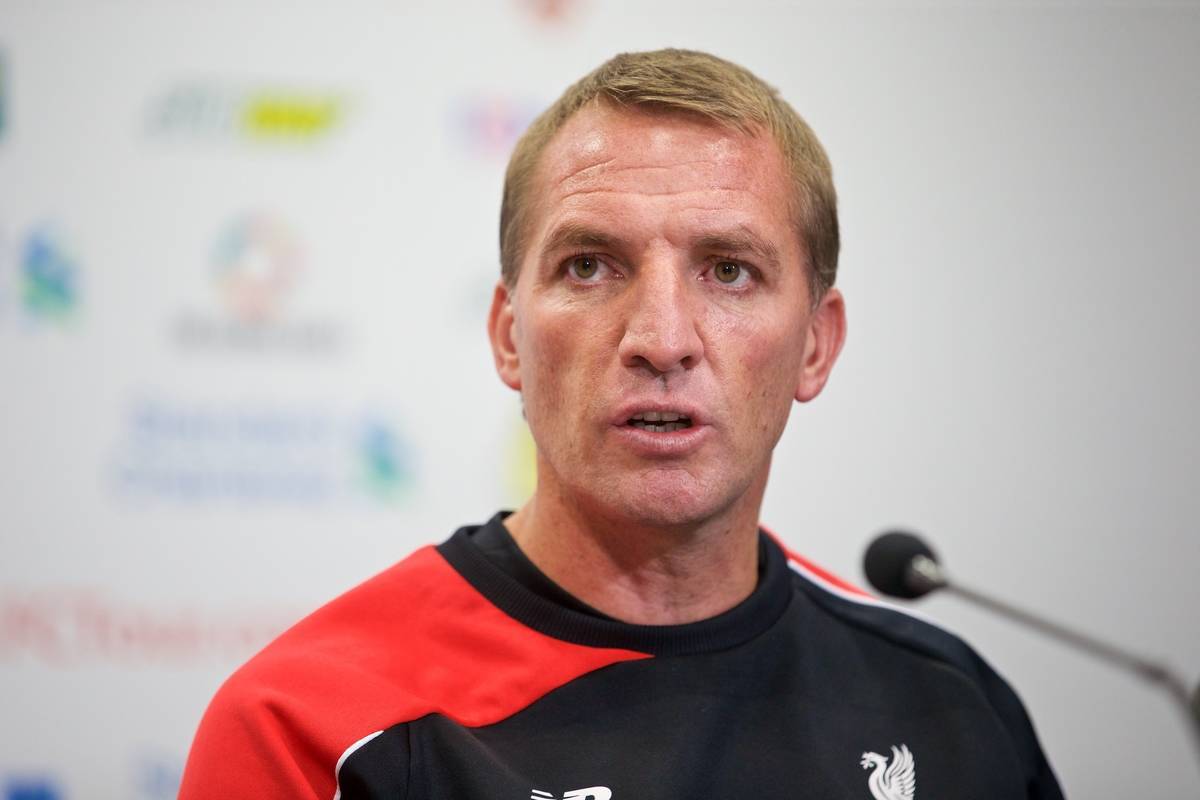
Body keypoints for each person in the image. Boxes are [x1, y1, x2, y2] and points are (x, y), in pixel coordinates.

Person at [179, 49, 1063, 799]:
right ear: (509, 338)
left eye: (729, 271)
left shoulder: (950, 710)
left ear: (815, 348)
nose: (662, 340)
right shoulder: (308, 730)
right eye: (592, 265)